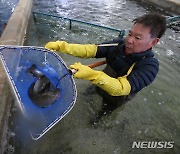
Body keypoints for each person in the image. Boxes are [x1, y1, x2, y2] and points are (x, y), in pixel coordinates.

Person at [45, 13, 166, 114]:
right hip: (99, 83)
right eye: (130, 34)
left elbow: (121, 88)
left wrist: (92, 75)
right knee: (89, 93)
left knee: (105, 111)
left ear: (154, 42)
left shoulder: (150, 66)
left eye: (138, 38)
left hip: (117, 97)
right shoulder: (118, 45)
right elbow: (91, 50)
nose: (129, 40)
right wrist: (62, 46)